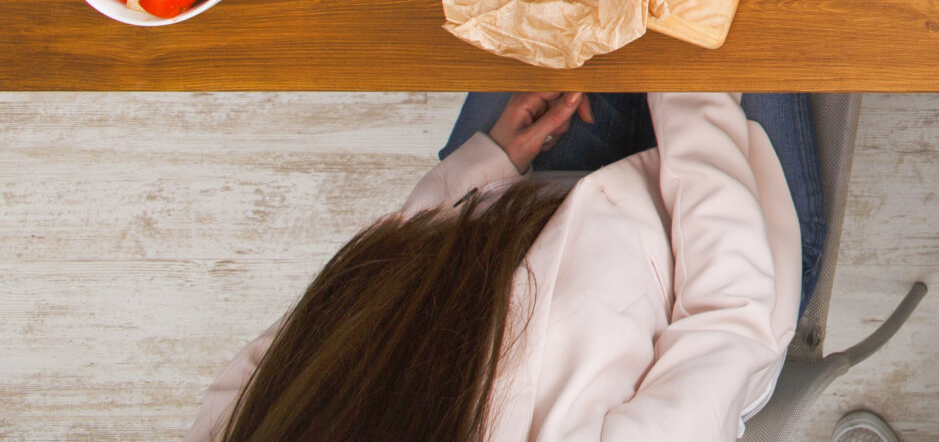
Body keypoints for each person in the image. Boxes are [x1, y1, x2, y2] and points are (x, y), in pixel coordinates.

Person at [184, 90, 826, 442]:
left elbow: (373, 291)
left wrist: (484, 164)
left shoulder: (238, 425)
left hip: (513, 200)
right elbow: (726, 319)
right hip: (732, 248)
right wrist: (690, 91)